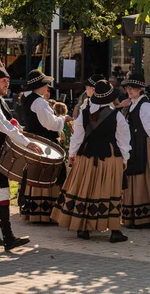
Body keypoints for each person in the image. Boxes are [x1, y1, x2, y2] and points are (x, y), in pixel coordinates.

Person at [51, 79, 131, 243]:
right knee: (111, 191)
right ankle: (115, 230)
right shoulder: (117, 117)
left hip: (87, 155)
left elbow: (77, 137)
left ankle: (83, 228)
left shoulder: (83, 113)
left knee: (85, 188)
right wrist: (125, 159)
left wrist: (72, 154)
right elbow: (123, 141)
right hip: (109, 157)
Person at [0, 59, 43, 250]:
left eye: (7, 81)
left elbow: (9, 124)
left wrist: (22, 132)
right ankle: (8, 238)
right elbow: (5, 127)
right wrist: (27, 143)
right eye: (4, 81)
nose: (7, 84)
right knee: (1, 191)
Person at [19, 69, 72, 223]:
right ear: (38, 86)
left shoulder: (27, 99)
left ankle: (35, 211)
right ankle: (48, 213)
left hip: (35, 143)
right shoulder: (39, 102)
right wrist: (64, 118)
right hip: (46, 144)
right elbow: (51, 124)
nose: (47, 87)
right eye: (45, 84)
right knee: (51, 174)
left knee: (37, 174)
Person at [121, 74, 150, 229]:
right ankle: (132, 215)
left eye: (132, 88)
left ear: (140, 89)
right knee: (133, 176)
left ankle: (143, 218)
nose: (129, 90)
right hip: (133, 144)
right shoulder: (132, 105)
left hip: (144, 145)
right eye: (127, 88)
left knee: (143, 177)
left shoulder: (146, 106)